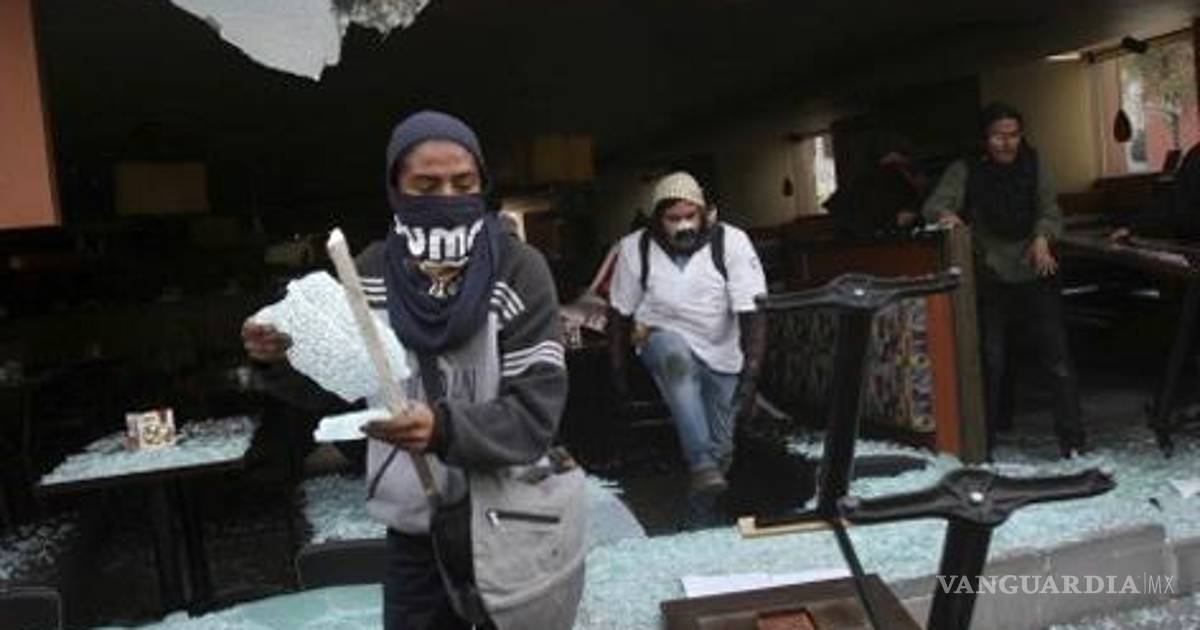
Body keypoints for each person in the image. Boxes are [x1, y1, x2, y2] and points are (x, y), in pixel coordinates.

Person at [242, 111, 584, 630]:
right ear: (395, 189)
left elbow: (535, 416)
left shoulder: (520, 271)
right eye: (426, 186)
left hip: (514, 518)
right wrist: (281, 355)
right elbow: (330, 390)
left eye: (463, 184)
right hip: (414, 527)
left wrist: (442, 429)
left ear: (483, 184)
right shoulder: (367, 273)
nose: (447, 197)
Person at [922, 102, 1086, 459]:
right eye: (998, 136)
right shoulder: (966, 169)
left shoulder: (1035, 164)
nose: (1007, 143)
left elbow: (1050, 211)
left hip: (1036, 271)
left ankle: (1073, 444)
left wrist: (1043, 237)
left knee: (1057, 360)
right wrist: (948, 217)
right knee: (990, 361)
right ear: (985, 138)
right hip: (990, 276)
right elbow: (933, 206)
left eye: (1013, 135)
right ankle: (983, 449)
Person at [607, 171, 768, 496]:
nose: (684, 226)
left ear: (704, 214)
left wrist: (751, 377)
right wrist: (618, 372)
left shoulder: (731, 242)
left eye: (690, 216)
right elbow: (619, 313)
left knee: (722, 451)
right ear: (657, 221)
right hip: (658, 337)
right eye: (673, 218)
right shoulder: (635, 248)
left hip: (720, 353)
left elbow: (753, 313)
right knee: (675, 358)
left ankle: (705, 507)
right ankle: (700, 465)